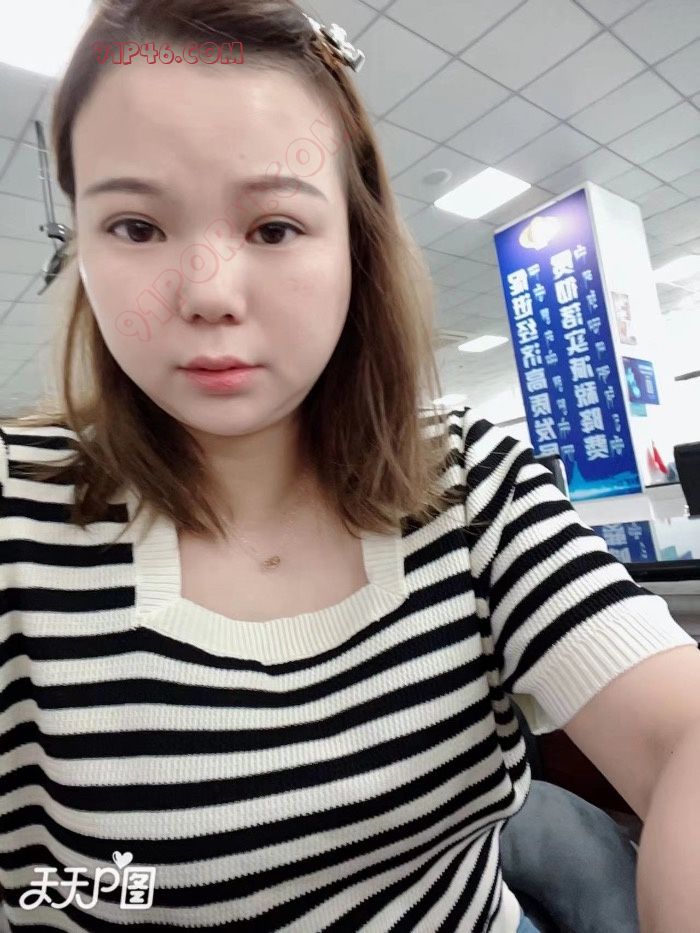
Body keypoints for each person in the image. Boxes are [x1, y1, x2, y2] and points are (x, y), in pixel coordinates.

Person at [0, 1, 698, 931]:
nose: (208, 292)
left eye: (273, 228)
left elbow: (682, 731)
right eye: (134, 226)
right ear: (81, 245)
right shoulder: (19, 512)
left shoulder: (466, 481)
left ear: (355, 243)